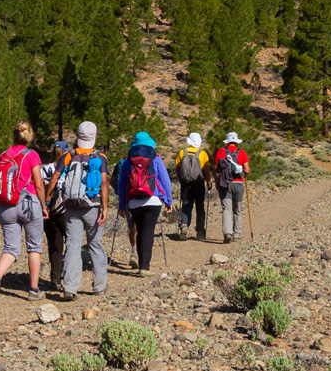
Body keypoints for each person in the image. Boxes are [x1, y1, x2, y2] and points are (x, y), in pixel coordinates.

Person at [44, 121, 110, 300]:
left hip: (71, 206)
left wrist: (48, 200)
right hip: (93, 207)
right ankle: (99, 285)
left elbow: (55, 178)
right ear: (95, 137)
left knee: (72, 245)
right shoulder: (100, 157)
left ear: (78, 137)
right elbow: (104, 183)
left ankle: (70, 287)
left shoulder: (68, 155)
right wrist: (105, 207)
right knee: (95, 244)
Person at [0, 121, 47, 304]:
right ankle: (34, 289)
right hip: (28, 204)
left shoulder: (3, 155)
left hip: (6, 206)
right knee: (34, 247)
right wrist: (44, 206)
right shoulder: (32, 155)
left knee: (11, 248)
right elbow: (38, 184)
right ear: (29, 135)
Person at [116, 131, 173, 272]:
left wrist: (122, 205)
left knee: (140, 231)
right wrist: (168, 200)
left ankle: (141, 262)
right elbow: (166, 181)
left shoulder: (128, 161)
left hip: (134, 202)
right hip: (153, 200)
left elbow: (121, 184)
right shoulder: (156, 159)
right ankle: (144, 267)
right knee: (148, 232)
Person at [39, 140, 71, 291]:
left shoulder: (45, 169)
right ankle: (69, 274)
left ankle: (55, 279)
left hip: (48, 209)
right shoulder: (69, 167)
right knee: (72, 241)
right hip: (65, 210)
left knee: (54, 245)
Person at [173, 132, 212, 241]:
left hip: (185, 183)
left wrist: (180, 179)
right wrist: (209, 182)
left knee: (186, 205)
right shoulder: (202, 153)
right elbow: (206, 170)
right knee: (200, 207)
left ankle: (184, 226)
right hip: (199, 183)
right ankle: (200, 232)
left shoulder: (182, 152)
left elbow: (177, 168)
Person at [214, 131, 251, 243]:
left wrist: (216, 181)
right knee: (237, 210)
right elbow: (247, 170)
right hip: (238, 184)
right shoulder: (242, 152)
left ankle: (227, 233)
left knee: (226, 209)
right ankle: (237, 234)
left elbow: (216, 169)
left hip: (225, 184)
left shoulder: (221, 152)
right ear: (236, 141)